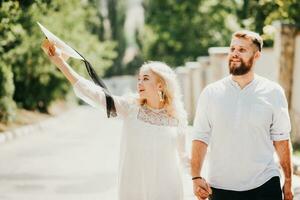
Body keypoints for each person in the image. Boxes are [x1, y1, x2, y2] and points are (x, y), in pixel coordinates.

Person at [41, 41, 190, 200]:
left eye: (145, 78)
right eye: (138, 78)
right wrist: (61, 63)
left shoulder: (177, 119)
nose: (139, 82)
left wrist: (199, 177)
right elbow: (93, 93)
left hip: (168, 190)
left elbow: (183, 157)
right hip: (135, 190)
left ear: (161, 85)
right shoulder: (130, 108)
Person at [191, 30, 293, 200]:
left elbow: (282, 138)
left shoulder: (273, 92)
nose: (235, 54)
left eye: (242, 50)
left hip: (265, 183)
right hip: (221, 186)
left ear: (257, 55)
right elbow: (200, 137)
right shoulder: (211, 93)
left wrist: (288, 180)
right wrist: (196, 176)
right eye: (232, 49)